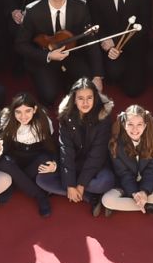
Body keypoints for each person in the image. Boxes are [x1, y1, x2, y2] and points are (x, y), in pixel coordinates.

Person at [43, 80, 115, 209]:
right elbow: (66, 151)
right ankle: (89, 197)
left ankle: (75, 192)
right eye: (80, 98)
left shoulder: (103, 117)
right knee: (42, 180)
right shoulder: (66, 116)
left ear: (95, 98)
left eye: (89, 98)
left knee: (105, 181)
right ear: (74, 99)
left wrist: (81, 185)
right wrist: (70, 185)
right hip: (74, 164)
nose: (85, 103)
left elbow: (97, 155)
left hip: (96, 167)